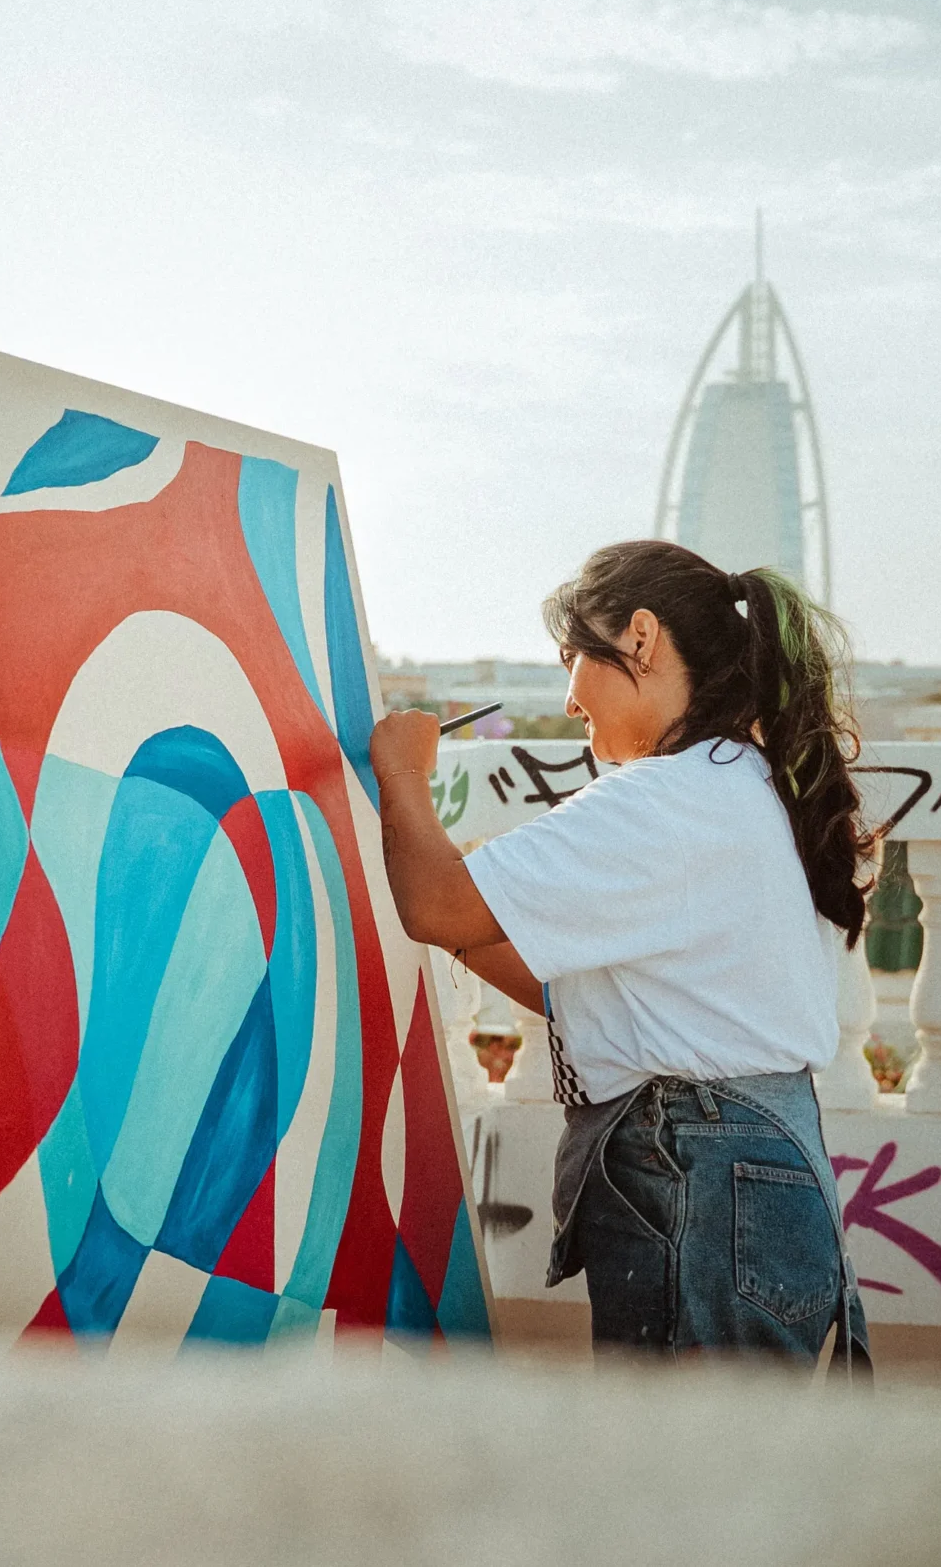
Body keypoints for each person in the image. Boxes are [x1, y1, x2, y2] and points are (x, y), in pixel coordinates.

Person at [371, 540, 872, 1370]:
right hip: (754, 1172)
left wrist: (403, 780)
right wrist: (472, 904)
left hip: (702, 1176)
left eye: (572, 658)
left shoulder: (668, 798)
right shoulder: (736, 782)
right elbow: (580, 994)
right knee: (717, 1477)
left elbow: (433, 905)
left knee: (674, 1480)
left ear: (641, 637)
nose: (570, 698)